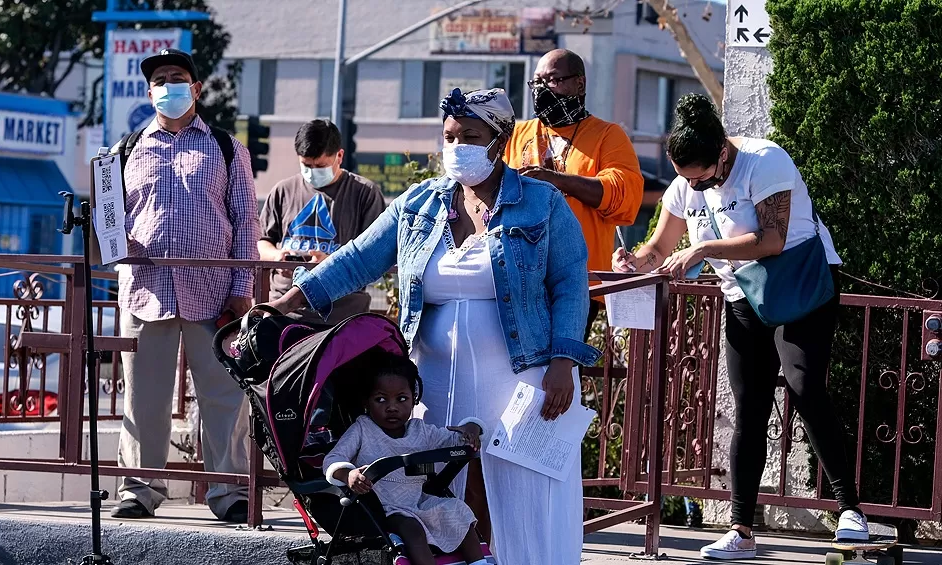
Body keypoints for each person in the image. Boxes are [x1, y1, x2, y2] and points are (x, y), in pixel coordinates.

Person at [265, 88, 600, 564]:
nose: (457, 145)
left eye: (470, 136)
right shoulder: (419, 204)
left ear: (499, 140)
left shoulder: (542, 203)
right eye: (450, 136)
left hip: (525, 375)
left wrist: (564, 361)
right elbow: (357, 258)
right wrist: (287, 301)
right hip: (436, 380)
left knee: (530, 494)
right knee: (442, 496)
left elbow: (570, 283)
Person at [613, 93, 868, 560]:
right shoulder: (684, 186)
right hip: (741, 296)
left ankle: (851, 510)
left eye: (703, 176)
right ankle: (741, 530)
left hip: (798, 286)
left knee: (804, 386)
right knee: (749, 406)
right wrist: (634, 260)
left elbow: (771, 240)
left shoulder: (764, 160)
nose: (697, 185)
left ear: (723, 153)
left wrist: (704, 251)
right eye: (687, 177)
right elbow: (659, 245)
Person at [111, 48, 259, 523]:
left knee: (222, 397)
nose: (168, 85)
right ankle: (140, 489)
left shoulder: (225, 146)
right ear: (149, 91)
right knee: (142, 396)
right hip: (145, 289)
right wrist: (118, 241)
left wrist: (242, 288)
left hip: (213, 291)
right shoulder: (125, 149)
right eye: (159, 79)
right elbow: (109, 223)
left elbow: (245, 222)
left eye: (177, 77)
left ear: (196, 89)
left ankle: (230, 491)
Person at [503, 48, 644, 339]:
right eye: (537, 82)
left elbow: (623, 195)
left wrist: (558, 180)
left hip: (579, 282)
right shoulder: (516, 135)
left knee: (563, 371)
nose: (543, 90)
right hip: (520, 279)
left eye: (553, 80)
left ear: (579, 84)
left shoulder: (608, 135)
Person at [322, 349, 487, 565]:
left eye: (402, 399)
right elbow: (332, 459)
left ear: (414, 399)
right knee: (412, 528)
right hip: (384, 508)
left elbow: (454, 440)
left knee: (457, 511)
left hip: (418, 501)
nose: (392, 407)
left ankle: (479, 562)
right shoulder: (362, 429)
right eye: (381, 399)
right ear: (366, 402)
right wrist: (348, 474)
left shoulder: (420, 430)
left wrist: (471, 429)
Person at [258, 119, 385, 326]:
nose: (312, 172)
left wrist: (330, 263)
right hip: (284, 313)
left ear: (340, 156)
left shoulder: (365, 193)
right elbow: (262, 241)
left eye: (320, 166)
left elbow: (375, 256)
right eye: (306, 165)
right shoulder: (283, 190)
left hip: (341, 317)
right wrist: (277, 257)